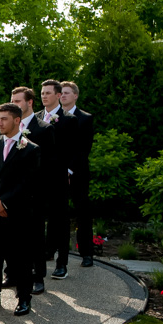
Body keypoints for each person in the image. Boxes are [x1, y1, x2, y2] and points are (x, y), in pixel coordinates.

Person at [0, 103, 40, 316]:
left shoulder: (30, 149)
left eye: (4, 119)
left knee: (20, 258)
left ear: (16, 121)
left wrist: (5, 203)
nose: (0, 122)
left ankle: (24, 299)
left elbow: (28, 182)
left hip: (17, 213)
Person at [9, 86, 57, 295]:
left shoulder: (44, 129)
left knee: (36, 236)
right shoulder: (10, 126)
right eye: (12, 101)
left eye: (18, 101)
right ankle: (13, 273)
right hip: (12, 191)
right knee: (11, 235)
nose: (14, 105)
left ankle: (38, 277)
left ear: (29, 103)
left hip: (35, 192)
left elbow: (49, 164)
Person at [36, 79, 78, 280]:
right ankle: (40, 257)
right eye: (42, 93)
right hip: (37, 179)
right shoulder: (35, 119)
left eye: (48, 93)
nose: (44, 96)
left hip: (58, 177)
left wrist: (68, 172)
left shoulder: (69, 119)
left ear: (58, 95)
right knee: (37, 220)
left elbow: (73, 150)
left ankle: (62, 264)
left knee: (60, 222)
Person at [60, 81, 95, 268]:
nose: (63, 95)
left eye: (67, 92)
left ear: (75, 96)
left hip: (78, 173)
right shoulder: (53, 118)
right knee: (57, 213)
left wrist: (69, 170)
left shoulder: (85, 118)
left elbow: (83, 149)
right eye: (61, 93)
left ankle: (87, 254)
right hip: (56, 174)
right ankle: (53, 251)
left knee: (82, 213)